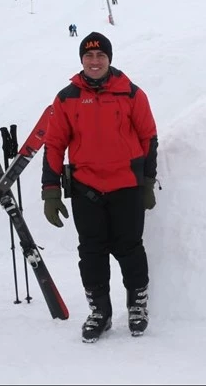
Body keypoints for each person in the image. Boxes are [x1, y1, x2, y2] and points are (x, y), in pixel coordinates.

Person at [41, 31, 159, 343]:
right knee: (91, 252)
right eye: (89, 56)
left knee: (130, 248)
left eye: (101, 56)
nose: (95, 61)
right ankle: (100, 312)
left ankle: (137, 307)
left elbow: (149, 137)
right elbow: (54, 145)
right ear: (82, 59)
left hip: (126, 186)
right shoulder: (67, 98)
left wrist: (147, 181)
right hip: (86, 188)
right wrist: (50, 191)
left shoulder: (131, 94)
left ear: (109, 59)